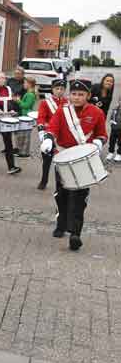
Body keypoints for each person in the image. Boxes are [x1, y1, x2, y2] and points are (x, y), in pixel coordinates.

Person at [41, 78, 107, 251]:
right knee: (61, 195)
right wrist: (48, 140)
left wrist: (99, 143)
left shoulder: (97, 112)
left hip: (84, 161)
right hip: (63, 158)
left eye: (81, 94)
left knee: (79, 198)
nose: (77, 97)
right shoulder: (63, 112)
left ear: (88, 95)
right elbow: (53, 128)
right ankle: (61, 224)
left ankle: (75, 233)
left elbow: (102, 134)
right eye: (74, 94)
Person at [36, 78, 67, 189]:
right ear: (52, 89)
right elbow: (41, 118)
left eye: (62, 89)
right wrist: (42, 131)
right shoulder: (45, 103)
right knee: (47, 160)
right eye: (57, 88)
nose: (59, 91)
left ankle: (59, 184)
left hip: (62, 137)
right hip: (49, 134)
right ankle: (44, 180)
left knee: (60, 161)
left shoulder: (67, 103)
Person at [14, 76, 38, 157]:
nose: (23, 84)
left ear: (29, 84)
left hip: (26, 117)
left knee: (24, 135)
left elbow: (26, 106)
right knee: (22, 134)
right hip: (25, 116)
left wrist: (18, 101)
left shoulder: (30, 94)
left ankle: (23, 152)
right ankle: (21, 150)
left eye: (25, 83)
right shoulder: (29, 93)